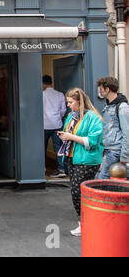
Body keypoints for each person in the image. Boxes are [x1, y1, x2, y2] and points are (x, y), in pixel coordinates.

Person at [57, 88, 104, 237]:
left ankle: (86, 223)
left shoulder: (92, 118)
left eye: (70, 102)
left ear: (79, 101)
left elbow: (93, 141)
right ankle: (86, 223)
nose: (68, 105)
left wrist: (70, 136)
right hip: (73, 158)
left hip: (87, 160)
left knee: (78, 192)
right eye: (67, 102)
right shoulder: (71, 117)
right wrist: (64, 136)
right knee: (77, 192)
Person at [96, 77, 129, 180]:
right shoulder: (108, 106)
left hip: (115, 151)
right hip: (109, 150)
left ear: (107, 89)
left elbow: (127, 133)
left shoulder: (122, 107)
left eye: (101, 89)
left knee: (101, 180)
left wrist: (124, 156)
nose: (100, 91)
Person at [43, 75, 67, 178]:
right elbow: (63, 110)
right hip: (57, 124)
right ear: (51, 83)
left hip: (44, 124)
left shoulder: (41, 95)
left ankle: (41, 168)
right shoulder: (60, 95)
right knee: (58, 147)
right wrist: (57, 117)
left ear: (43, 84)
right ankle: (61, 169)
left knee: (41, 148)